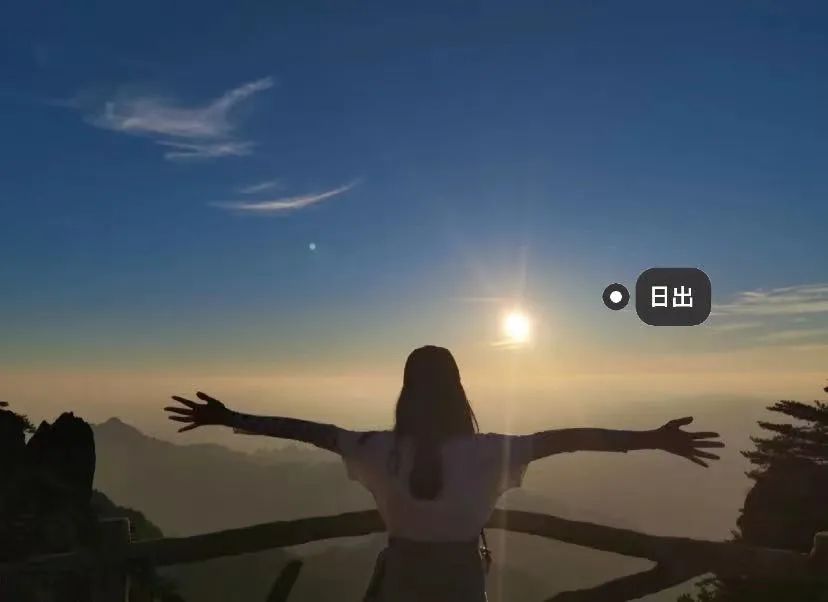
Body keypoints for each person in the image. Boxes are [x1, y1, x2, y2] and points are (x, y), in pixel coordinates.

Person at [164, 345, 724, 601]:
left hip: (400, 583)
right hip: (461, 585)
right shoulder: (489, 453)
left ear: (406, 392)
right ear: (459, 391)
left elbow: (308, 430)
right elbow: (573, 438)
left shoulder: (378, 450)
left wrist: (230, 418)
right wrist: (652, 438)